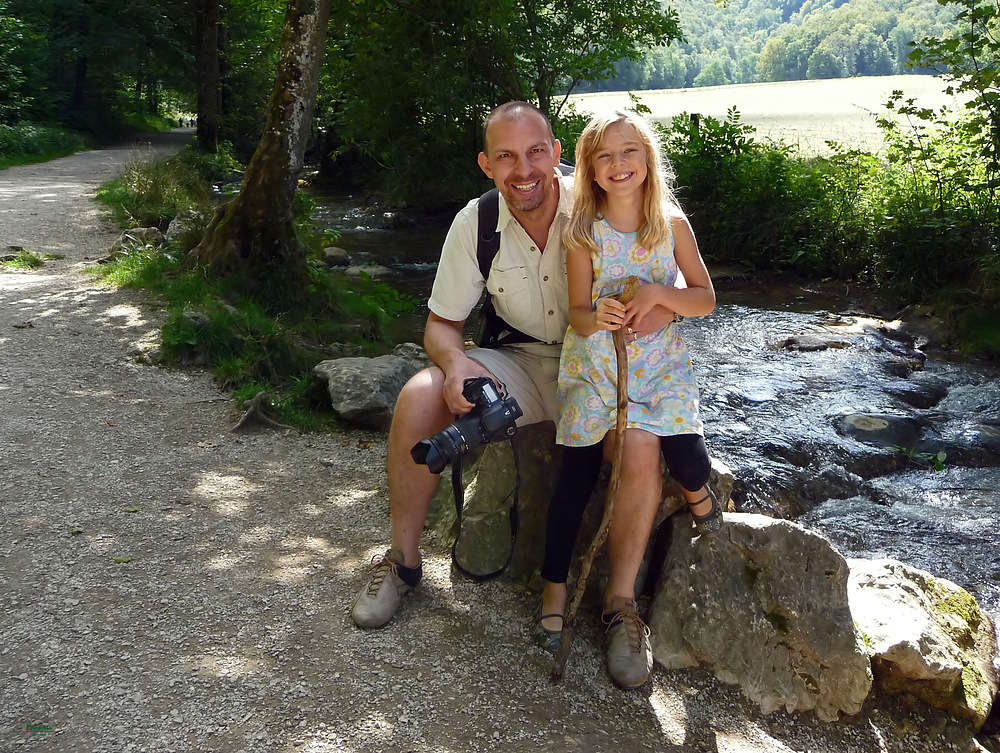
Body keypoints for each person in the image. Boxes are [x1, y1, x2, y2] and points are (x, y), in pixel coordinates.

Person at [350, 102, 677, 631]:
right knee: (418, 393)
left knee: (640, 444)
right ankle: (403, 561)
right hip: (518, 363)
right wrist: (455, 364)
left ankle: (621, 608)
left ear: (556, 153)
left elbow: (675, 273)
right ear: (486, 165)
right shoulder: (475, 223)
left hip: (602, 367)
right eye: (506, 157)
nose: (523, 170)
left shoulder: (607, 197)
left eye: (534, 153)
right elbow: (440, 325)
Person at [535, 110, 721, 689]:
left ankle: (622, 605)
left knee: (660, 449)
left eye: (628, 152)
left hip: (659, 374)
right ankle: (555, 587)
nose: (618, 165)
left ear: (648, 159)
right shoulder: (582, 232)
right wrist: (603, 317)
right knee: (577, 472)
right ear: (588, 169)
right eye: (605, 156)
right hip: (597, 373)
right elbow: (579, 314)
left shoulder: (672, 226)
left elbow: (706, 299)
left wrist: (661, 296)